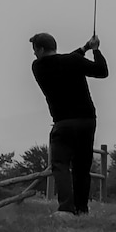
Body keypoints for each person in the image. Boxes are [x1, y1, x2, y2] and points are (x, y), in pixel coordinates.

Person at [29, 32, 108, 218]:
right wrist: (94, 50)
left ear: (40, 49)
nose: (34, 54)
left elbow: (63, 61)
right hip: (87, 120)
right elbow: (102, 71)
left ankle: (66, 208)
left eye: (35, 50)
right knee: (82, 167)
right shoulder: (73, 61)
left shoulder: (38, 67)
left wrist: (85, 48)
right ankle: (81, 209)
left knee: (60, 165)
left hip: (63, 122)